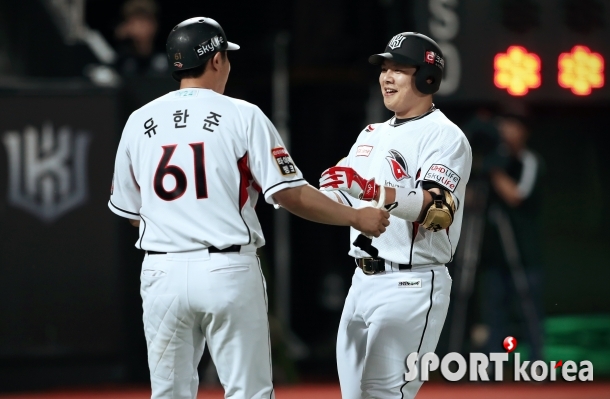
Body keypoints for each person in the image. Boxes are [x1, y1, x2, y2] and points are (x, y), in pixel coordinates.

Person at [108, 17, 390, 399]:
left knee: (169, 394)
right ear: (216, 61)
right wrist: (356, 216)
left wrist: (172, 235)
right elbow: (291, 194)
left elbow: (128, 210)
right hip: (226, 267)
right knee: (249, 392)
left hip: (161, 270)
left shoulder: (138, 121)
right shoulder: (242, 115)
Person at [319, 32, 472, 398]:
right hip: (362, 282)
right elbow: (337, 192)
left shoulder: (446, 136)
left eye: (399, 69)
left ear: (426, 77)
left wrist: (371, 190)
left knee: (383, 395)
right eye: (384, 69)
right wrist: (284, 188)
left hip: (412, 284)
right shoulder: (370, 133)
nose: (386, 77)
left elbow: (438, 209)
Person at [479, 114, 545, 362]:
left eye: (512, 126)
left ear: (524, 130)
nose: (506, 131)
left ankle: (536, 363)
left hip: (524, 253)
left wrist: (494, 171)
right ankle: (490, 367)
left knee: (529, 310)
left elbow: (517, 195)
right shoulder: (496, 159)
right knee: (494, 313)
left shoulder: (529, 161)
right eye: (502, 125)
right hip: (495, 255)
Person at [114, 0, 167, 76]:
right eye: (135, 22)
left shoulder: (167, 56)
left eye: (144, 21)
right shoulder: (121, 58)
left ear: (154, 24)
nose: (140, 28)